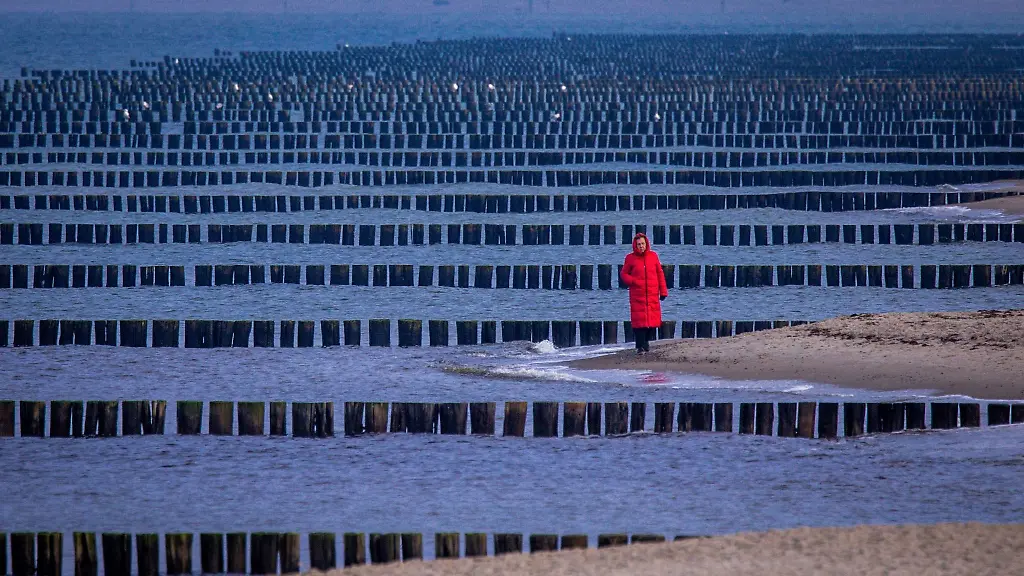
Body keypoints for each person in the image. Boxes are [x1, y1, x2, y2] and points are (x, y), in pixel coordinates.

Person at [620, 232, 668, 355]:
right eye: (639, 244)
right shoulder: (630, 258)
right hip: (637, 295)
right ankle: (640, 347)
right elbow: (624, 274)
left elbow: (660, 274)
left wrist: (663, 291)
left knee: (652, 323)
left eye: (643, 244)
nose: (641, 246)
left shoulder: (653, 256)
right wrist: (633, 281)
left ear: (646, 244)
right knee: (639, 323)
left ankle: (645, 344)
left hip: (652, 294)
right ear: (635, 246)